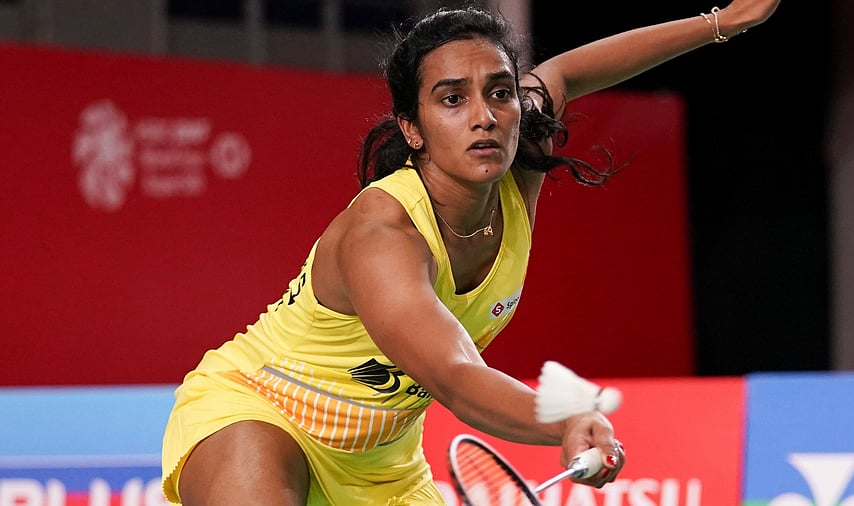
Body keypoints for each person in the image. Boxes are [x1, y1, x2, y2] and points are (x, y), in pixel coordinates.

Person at [161, 1, 780, 504]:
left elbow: (566, 73)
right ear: (412, 127)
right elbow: (455, 375)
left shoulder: (518, 168)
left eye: (500, 93)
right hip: (262, 412)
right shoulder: (383, 234)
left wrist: (725, 21)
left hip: (381, 466)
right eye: (452, 99)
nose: (484, 116)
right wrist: (565, 419)